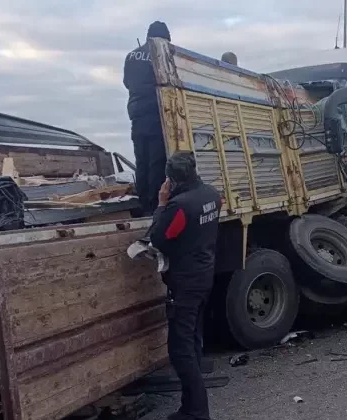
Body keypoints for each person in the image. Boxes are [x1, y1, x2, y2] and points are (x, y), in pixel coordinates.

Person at [149, 151, 222, 420]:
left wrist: (160, 204)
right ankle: (189, 408)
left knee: (180, 349)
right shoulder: (212, 195)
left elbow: (159, 238)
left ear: (171, 179)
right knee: (192, 342)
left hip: (186, 283)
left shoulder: (179, 206)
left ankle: (199, 412)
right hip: (204, 276)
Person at [123, 21, 171, 216]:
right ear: (163, 38)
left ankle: (143, 203)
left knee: (141, 160)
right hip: (154, 112)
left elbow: (127, 83)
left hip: (136, 113)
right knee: (156, 162)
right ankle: (153, 206)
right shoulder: (160, 53)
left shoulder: (131, 55)